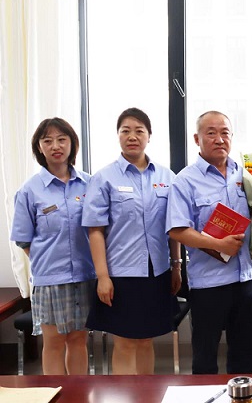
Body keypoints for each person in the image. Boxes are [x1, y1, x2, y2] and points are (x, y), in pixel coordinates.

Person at [82, 108, 181, 374]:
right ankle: (124, 395)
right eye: (125, 131)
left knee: (146, 340)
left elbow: (174, 227)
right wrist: (103, 277)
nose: (132, 136)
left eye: (139, 131)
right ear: (118, 136)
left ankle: (146, 393)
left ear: (149, 136)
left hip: (156, 271)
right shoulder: (104, 178)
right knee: (125, 342)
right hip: (120, 274)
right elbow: (95, 231)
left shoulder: (166, 177)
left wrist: (176, 266)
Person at [166, 111, 252, 374]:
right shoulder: (185, 180)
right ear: (197, 139)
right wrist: (219, 245)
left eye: (225, 133)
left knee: (245, 355)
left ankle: (243, 394)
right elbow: (177, 230)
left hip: (245, 279)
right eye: (211, 133)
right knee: (205, 358)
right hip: (209, 284)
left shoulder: (246, 175)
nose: (219, 139)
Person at [11, 118, 95, 375]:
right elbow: (24, 240)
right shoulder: (29, 190)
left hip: (84, 275)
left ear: (72, 143)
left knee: (78, 340)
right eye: (47, 141)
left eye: (61, 139)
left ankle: (78, 394)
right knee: (55, 342)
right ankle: (55, 393)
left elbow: (99, 230)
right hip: (50, 280)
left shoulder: (90, 184)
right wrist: (48, 262)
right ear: (39, 147)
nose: (55, 146)